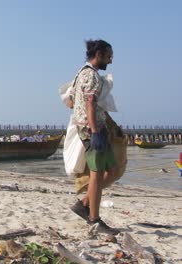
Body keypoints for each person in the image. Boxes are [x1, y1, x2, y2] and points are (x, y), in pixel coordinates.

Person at [68, 39, 119, 235]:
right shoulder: (92, 77)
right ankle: (94, 219)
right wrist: (94, 130)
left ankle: (84, 203)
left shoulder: (80, 74)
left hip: (93, 128)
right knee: (97, 175)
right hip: (93, 131)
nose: (110, 61)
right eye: (108, 56)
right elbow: (89, 103)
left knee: (112, 170)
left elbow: (71, 102)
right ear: (98, 55)